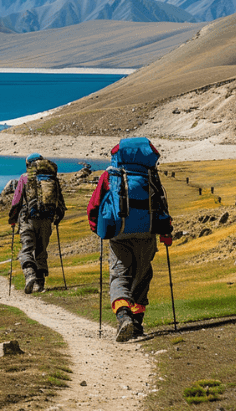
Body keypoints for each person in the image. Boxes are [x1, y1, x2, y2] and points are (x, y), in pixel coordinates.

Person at [86, 137, 173, 342]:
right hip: (147, 233)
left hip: (119, 233)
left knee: (119, 275)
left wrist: (97, 228)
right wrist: (166, 233)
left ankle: (123, 316)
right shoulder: (150, 175)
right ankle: (137, 322)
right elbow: (161, 205)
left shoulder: (110, 174)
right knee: (142, 275)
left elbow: (94, 205)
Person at [8, 153, 66, 294]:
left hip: (28, 219)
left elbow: (16, 201)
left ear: (29, 164)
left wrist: (12, 219)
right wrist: (57, 218)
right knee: (41, 250)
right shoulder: (52, 179)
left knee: (26, 249)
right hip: (46, 220)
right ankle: (40, 284)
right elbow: (60, 203)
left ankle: (30, 275)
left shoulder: (25, 178)